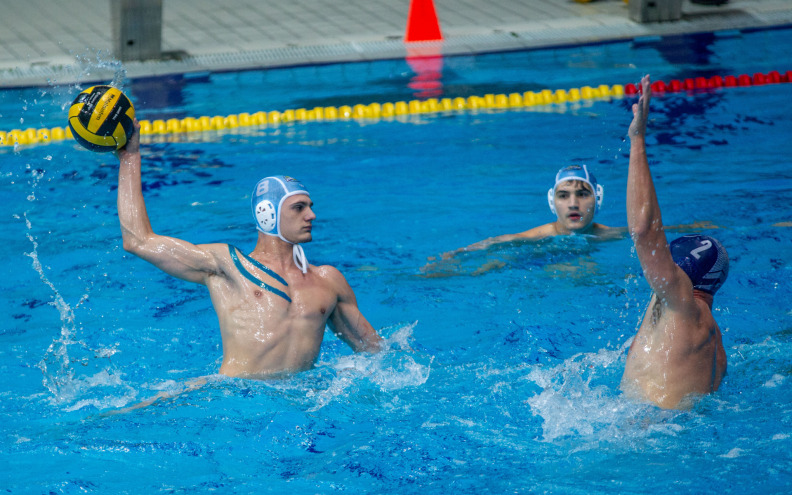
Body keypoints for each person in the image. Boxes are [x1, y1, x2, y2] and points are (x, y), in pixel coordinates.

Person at [115, 121, 382, 380]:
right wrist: (130, 157)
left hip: (299, 405)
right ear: (267, 215)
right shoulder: (227, 266)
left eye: (310, 206)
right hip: (234, 396)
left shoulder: (328, 281)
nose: (312, 215)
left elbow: (376, 353)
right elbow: (137, 240)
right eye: (299, 207)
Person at [620, 75, 729, 409]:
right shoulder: (714, 344)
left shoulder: (681, 304)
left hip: (645, 439)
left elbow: (644, 233)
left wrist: (637, 141)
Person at [425, 164, 617, 270]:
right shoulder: (541, 236)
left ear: (597, 198)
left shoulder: (611, 235)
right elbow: (499, 241)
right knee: (488, 267)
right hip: (536, 268)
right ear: (552, 201)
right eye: (564, 195)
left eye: (582, 195)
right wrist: (459, 253)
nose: (573, 203)